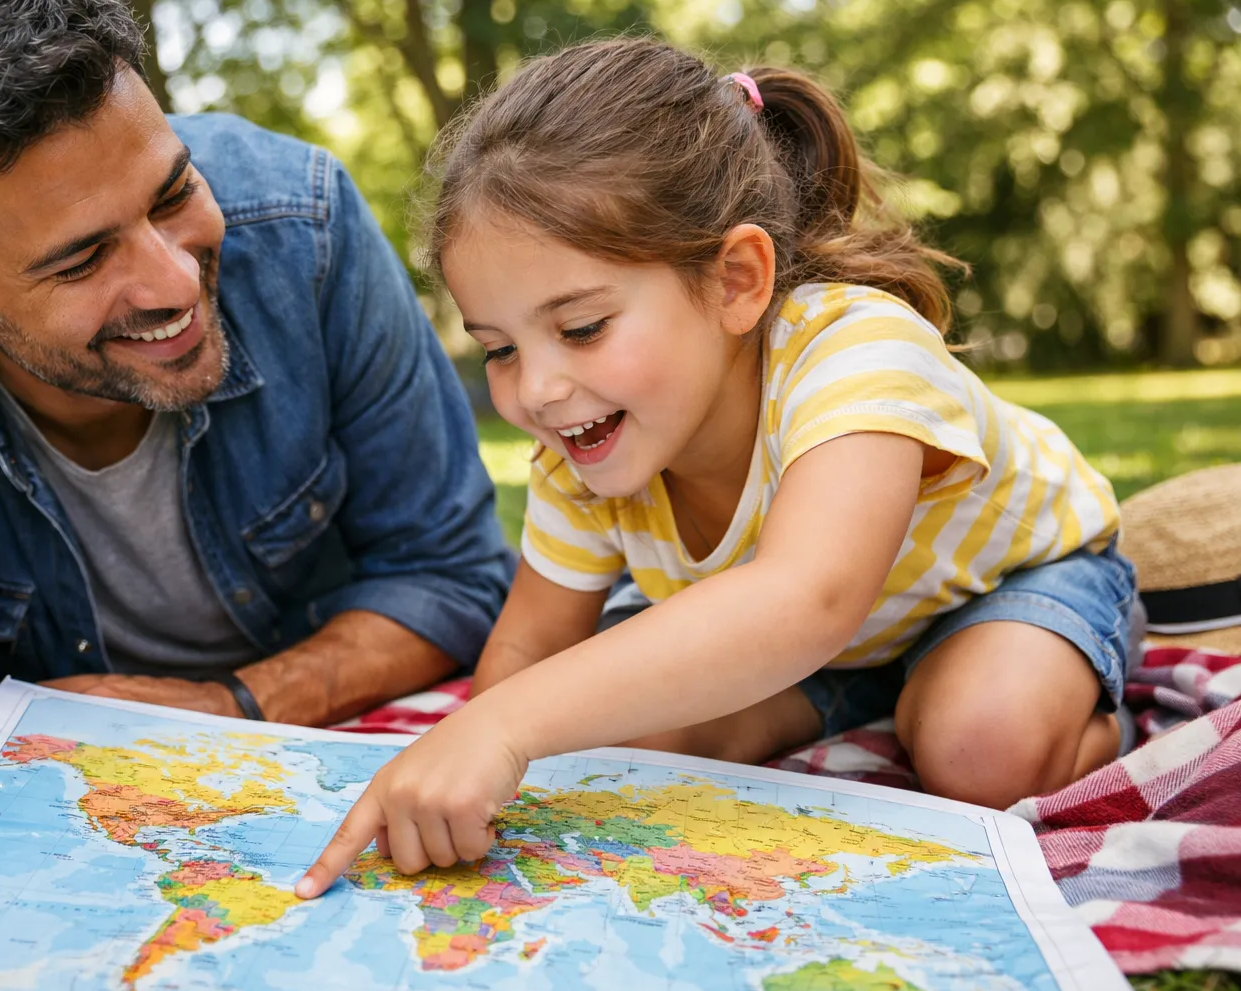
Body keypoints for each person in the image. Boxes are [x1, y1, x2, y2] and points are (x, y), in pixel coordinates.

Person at [297, 38, 1140, 898]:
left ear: (737, 280)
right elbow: (529, 645)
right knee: (609, 752)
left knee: (979, 751)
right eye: (501, 349)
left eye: (581, 327)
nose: (539, 391)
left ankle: (1088, 691)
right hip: (828, 653)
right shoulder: (579, 444)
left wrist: (508, 726)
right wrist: (468, 747)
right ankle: (863, 701)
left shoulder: (857, 347)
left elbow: (806, 600)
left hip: (1003, 584)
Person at [0, 0, 512, 725]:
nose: (176, 281)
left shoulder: (307, 225)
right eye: (83, 259)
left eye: (173, 196)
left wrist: (228, 706)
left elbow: (450, 574)